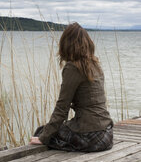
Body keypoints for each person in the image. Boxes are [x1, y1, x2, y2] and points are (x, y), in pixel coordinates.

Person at [29, 22, 114, 152]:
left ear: (66, 44)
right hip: (107, 135)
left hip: (90, 137)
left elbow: (62, 108)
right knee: (50, 131)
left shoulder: (73, 68)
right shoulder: (95, 65)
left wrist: (43, 138)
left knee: (41, 132)